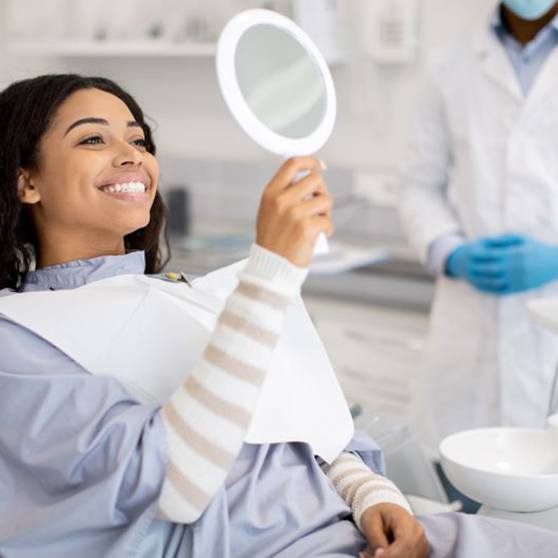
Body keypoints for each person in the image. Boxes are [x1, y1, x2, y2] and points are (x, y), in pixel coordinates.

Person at [0, 74, 557, 558]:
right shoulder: (20, 339)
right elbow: (173, 482)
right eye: (94, 138)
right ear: (27, 181)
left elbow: (308, 428)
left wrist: (374, 499)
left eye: (139, 139)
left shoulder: (182, 296)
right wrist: (269, 273)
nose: (133, 156)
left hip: (364, 533)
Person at [398, 0, 558, 462]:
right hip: (467, 342)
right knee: (460, 508)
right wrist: (450, 251)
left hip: (551, 335)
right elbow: (417, 185)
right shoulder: (450, 62)